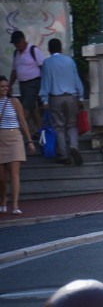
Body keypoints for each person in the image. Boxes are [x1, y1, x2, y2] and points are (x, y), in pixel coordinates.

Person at [37, 38, 85, 166]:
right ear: (61, 48)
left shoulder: (47, 63)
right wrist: (80, 97)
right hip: (71, 97)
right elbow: (76, 79)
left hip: (55, 98)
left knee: (59, 127)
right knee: (72, 125)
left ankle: (64, 155)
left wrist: (44, 100)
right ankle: (74, 147)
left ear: (49, 49)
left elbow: (45, 83)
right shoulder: (70, 61)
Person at [0, 76, 36, 214]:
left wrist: (30, 141)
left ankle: (15, 205)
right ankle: (3, 200)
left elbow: (22, 121)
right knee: (2, 177)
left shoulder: (14, 101)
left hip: (15, 137)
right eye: (1, 87)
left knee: (15, 173)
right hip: (0, 138)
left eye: (6, 86)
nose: (4, 89)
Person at [9, 30, 43, 134]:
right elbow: (15, 70)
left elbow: (43, 67)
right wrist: (9, 84)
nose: (17, 46)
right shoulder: (16, 53)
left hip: (33, 83)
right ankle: (41, 131)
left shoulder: (33, 50)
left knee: (25, 108)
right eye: (15, 44)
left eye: (18, 43)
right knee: (32, 110)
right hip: (22, 84)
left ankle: (19, 132)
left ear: (23, 40)